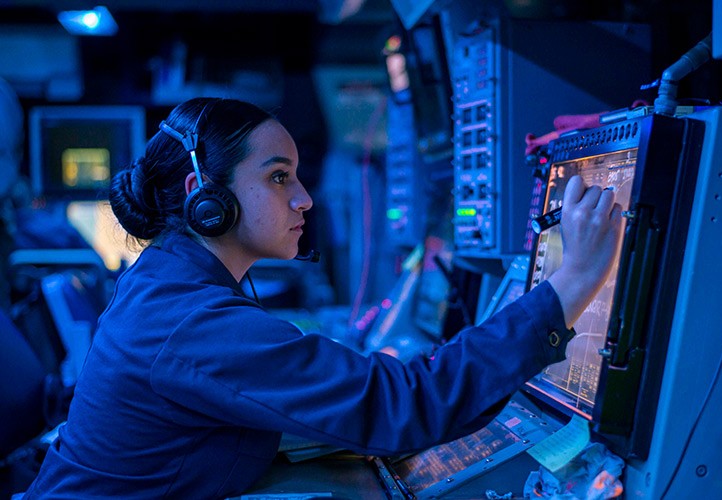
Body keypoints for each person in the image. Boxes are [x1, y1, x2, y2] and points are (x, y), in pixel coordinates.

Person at [21, 97, 624, 498]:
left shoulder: (167, 283)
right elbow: (402, 408)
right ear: (205, 194)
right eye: (278, 177)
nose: (304, 198)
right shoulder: (190, 319)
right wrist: (571, 283)